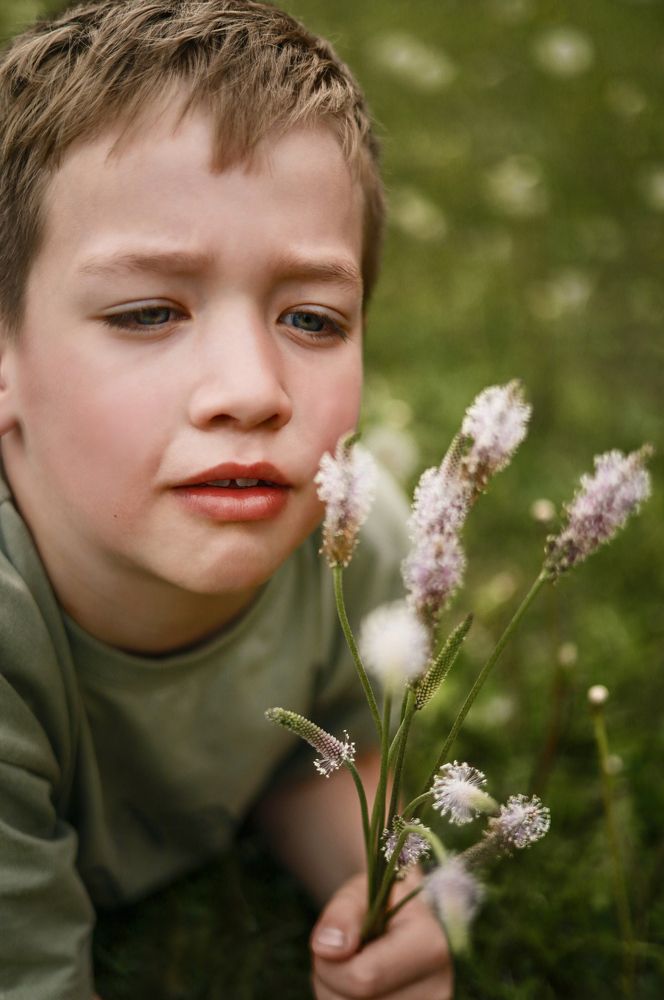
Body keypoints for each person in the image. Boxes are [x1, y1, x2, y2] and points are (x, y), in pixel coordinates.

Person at [0, 1, 452, 996]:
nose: (252, 389)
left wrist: (388, 896)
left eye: (312, 316)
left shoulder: (354, 539)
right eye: (149, 310)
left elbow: (318, 754)